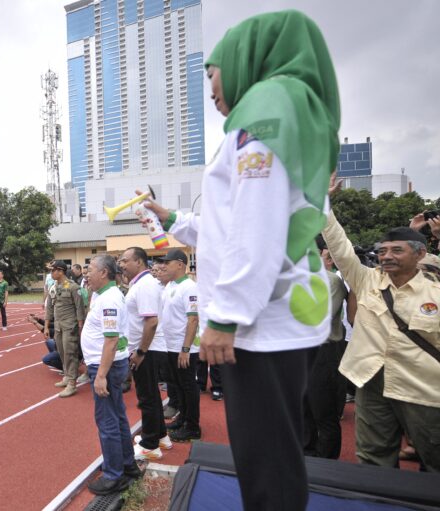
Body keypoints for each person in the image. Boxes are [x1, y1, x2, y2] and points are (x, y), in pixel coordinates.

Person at [142, 11, 340, 510]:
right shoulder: (275, 109)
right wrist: (174, 219)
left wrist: (224, 316)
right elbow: (230, 226)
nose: (210, 85)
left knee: (267, 462)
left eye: (213, 70)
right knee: (270, 454)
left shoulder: (266, 109)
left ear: (244, 58)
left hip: (259, 324)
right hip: (273, 316)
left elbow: (256, 227)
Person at [324, 178, 440, 472]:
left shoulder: (435, 290)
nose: (387, 256)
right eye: (384, 250)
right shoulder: (367, 280)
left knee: (434, 459)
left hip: (423, 388)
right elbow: (340, 246)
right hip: (371, 380)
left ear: (420, 255)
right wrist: (322, 203)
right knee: (373, 459)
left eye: (397, 250)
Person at [81, 254, 139, 496]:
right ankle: (127, 466)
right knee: (117, 417)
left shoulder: (110, 300)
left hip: (106, 366)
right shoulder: (103, 295)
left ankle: (114, 476)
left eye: (90, 269)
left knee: (107, 422)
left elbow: (112, 339)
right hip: (109, 364)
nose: (86, 273)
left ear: (104, 272)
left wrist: (101, 375)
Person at [118, 247, 171, 460]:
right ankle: (160, 436)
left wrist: (140, 351)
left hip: (147, 350)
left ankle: (150, 446)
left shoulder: (146, 285)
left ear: (139, 262)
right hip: (148, 348)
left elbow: (151, 321)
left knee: (147, 397)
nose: (121, 264)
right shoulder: (141, 284)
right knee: (151, 395)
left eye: (125, 260)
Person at [302, 241, 350, 459]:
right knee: (303, 407)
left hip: (325, 351)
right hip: (301, 351)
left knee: (324, 411)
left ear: (329, 258)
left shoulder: (332, 282)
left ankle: (328, 462)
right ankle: (307, 452)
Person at [157, 249, 202, 442]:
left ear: (180, 264)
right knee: (178, 385)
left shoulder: (190, 287)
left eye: (168, 262)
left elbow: (193, 320)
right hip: (170, 345)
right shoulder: (170, 286)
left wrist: (185, 349)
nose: (164, 265)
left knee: (188, 386)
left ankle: (192, 426)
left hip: (184, 348)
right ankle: (182, 418)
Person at [44, 260, 86, 398]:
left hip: (70, 326)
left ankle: (72, 384)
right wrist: (46, 326)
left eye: (53, 270)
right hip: (58, 326)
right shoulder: (53, 286)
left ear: (60, 271)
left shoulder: (73, 287)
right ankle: (67, 376)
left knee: (70, 353)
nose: (51, 273)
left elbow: (80, 308)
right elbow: (49, 308)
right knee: (62, 352)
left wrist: (80, 327)